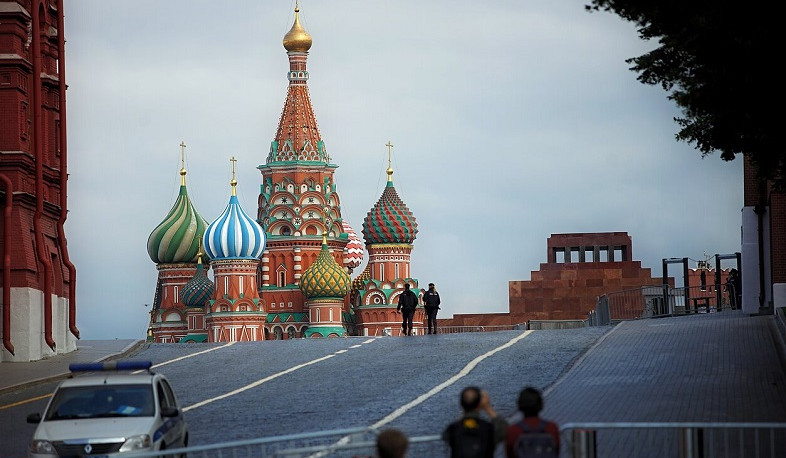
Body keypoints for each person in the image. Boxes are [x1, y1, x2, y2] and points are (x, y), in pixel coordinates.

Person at [443, 386, 507, 458]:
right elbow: (506, 430)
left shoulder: (453, 429)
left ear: (461, 403)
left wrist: (466, 408)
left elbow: (446, 437)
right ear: (480, 404)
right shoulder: (489, 428)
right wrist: (488, 407)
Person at [505, 387, 559, 458]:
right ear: (541, 405)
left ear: (519, 406)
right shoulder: (552, 428)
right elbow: (556, 452)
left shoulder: (513, 431)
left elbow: (510, 454)